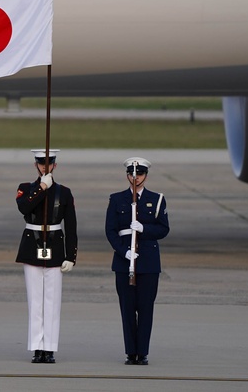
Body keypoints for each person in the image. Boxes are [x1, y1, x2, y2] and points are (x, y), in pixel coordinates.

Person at [105, 157, 170, 366]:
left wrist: (144, 229)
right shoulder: (117, 199)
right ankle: (130, 352)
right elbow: (110, 231)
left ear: (146, 176)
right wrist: (124, 252)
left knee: (145, 308)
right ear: (127, 175)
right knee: (127, 308)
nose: (136, 178)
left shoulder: (157, 199)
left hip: (148, 263)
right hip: (125, 262)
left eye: (140, 174)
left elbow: (163, 229)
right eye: (132, 174)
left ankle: (142, 352)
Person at [16, 149, 78, 364]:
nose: (45, 167)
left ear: (55, 165)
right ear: (36, 165)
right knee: (35, 301)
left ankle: (49, 348)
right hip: (32, 245)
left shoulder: (64, 192)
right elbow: (25, 207)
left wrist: (71, 256)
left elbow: (71, 227)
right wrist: (42, 187)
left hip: (55, 246)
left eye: (49, 163)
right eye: (41, 163)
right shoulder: (26, 188)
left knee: (52, 302)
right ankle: (36, 347)